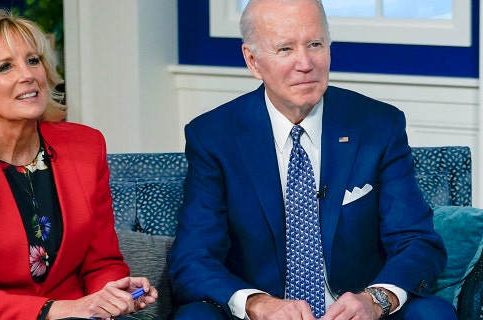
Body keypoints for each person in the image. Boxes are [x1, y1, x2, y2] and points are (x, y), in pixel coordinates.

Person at [166, 0, 455, 319]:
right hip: (262, 313)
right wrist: (257, 304)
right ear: (253, 60)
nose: (305, 63)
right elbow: (193, 257)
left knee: (432, 313)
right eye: (285, 49)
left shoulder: (379, 125)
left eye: (315, 44)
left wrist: (376, 299)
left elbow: (416, 240)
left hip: (356, 308)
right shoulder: (213, 136)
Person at [0, 9, 157, 320]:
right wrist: (65, 308)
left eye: (33, 61)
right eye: (5, 67)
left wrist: (111, 293)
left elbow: (101, 262)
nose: (27, 74)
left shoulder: (85, 147)